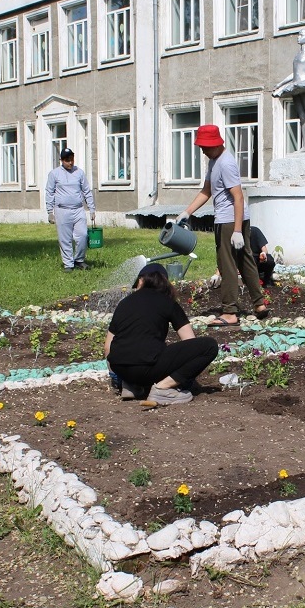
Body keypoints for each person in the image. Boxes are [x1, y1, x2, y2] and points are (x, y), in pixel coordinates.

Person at [176, 124, 270, 326]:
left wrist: (237, 231)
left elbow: (238, 197)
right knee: (245, 260)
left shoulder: (226, 163)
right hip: (231, 220)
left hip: (229, 221)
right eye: (201, 146)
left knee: (226, 265)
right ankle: (259, 304)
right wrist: (187, 212)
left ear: (216, 144)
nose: (202, 150)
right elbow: (207, 191)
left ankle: (229, 312)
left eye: (205, 146)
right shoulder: (214, 161)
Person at [105, 263, 219, 405]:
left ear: (141, 280)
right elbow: (189, 341)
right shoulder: (168, 302)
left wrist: (121, 376)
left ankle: (131, 385)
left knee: (138, 352)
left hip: (120, 367)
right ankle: (163, 388)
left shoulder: (124, 303)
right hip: (147, 368)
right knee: (209, 346)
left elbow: (108, 347)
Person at [45, 147, 95, 272]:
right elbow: (49, 192)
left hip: (78, 209)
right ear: (61, 160)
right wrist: (50, 212)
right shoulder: (54, 174)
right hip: (62, 210)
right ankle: (68, 264)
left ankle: (79, 260)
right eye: (67, 160)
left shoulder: (79, 172)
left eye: (72, 159)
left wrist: (92, 209)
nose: (70, 162)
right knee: (65, 238)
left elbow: (86, 191)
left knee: (83, 235)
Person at [208, 225, 275, 288]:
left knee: (270, 260)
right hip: (245, 264)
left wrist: (263, 255)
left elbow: (265, 250)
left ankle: (267, 281)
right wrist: (217, 274)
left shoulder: (255, 231)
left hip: (257, 261)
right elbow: (226, 257)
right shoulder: (234, 238)